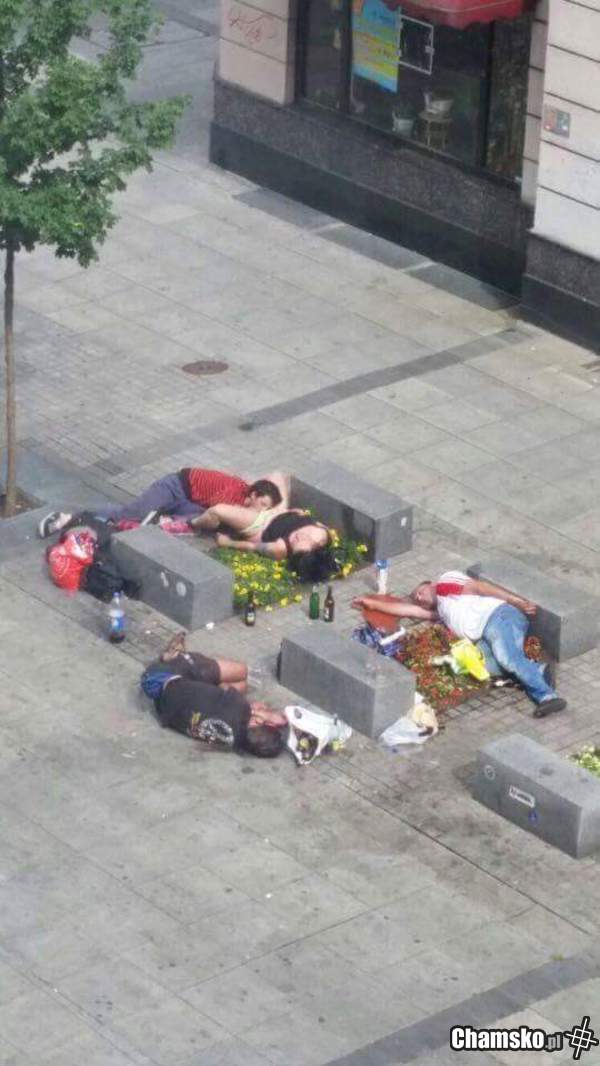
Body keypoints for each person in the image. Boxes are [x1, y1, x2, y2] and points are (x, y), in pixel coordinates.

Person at [352, 569, 567, 718]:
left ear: (431, 584)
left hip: (498, 617)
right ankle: (539, 671)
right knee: (481, 668)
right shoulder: (440, 612)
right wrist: (371, 603)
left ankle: (547, 697)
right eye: (417, 598)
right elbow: (407, 610)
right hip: (483, 636)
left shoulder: (445, 584)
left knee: (507, 658)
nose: (419, 597)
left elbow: (480, 587)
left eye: (421, 591)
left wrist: (515, 601)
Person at [140, 632, 288, 757]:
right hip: (163, 707)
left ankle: (175, 656)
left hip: (157, 678)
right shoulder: (236, 743)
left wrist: (263, 713)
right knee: (239, 687)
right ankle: (183, 667)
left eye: (262, 722)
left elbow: (223, 686)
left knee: (241, 672)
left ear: (256, 723)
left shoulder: (240, 707)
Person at [38, 468, 283, 539]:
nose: (262, 511)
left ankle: (162, 520)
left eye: (267, 508)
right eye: (262, 504)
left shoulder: (244, 496)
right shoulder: (233, 497)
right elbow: (214, 514)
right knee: (130, 513)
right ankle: (70, 516)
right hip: (175, 487)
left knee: (195, 523)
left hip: (191, 500)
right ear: (252, 495)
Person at [190, 472, 338, 583]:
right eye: (303, 541)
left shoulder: (279, 549)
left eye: (295, 545)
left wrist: (228, 543)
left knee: (217, 511)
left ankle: (193, 523)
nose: (298, 538)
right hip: (280, 509)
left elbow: (252, 547)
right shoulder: (322, 535)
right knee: (277, 475)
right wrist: (299, 513)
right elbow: (310, 522)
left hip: (259, 523)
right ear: (315, 548)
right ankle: (250, 494)